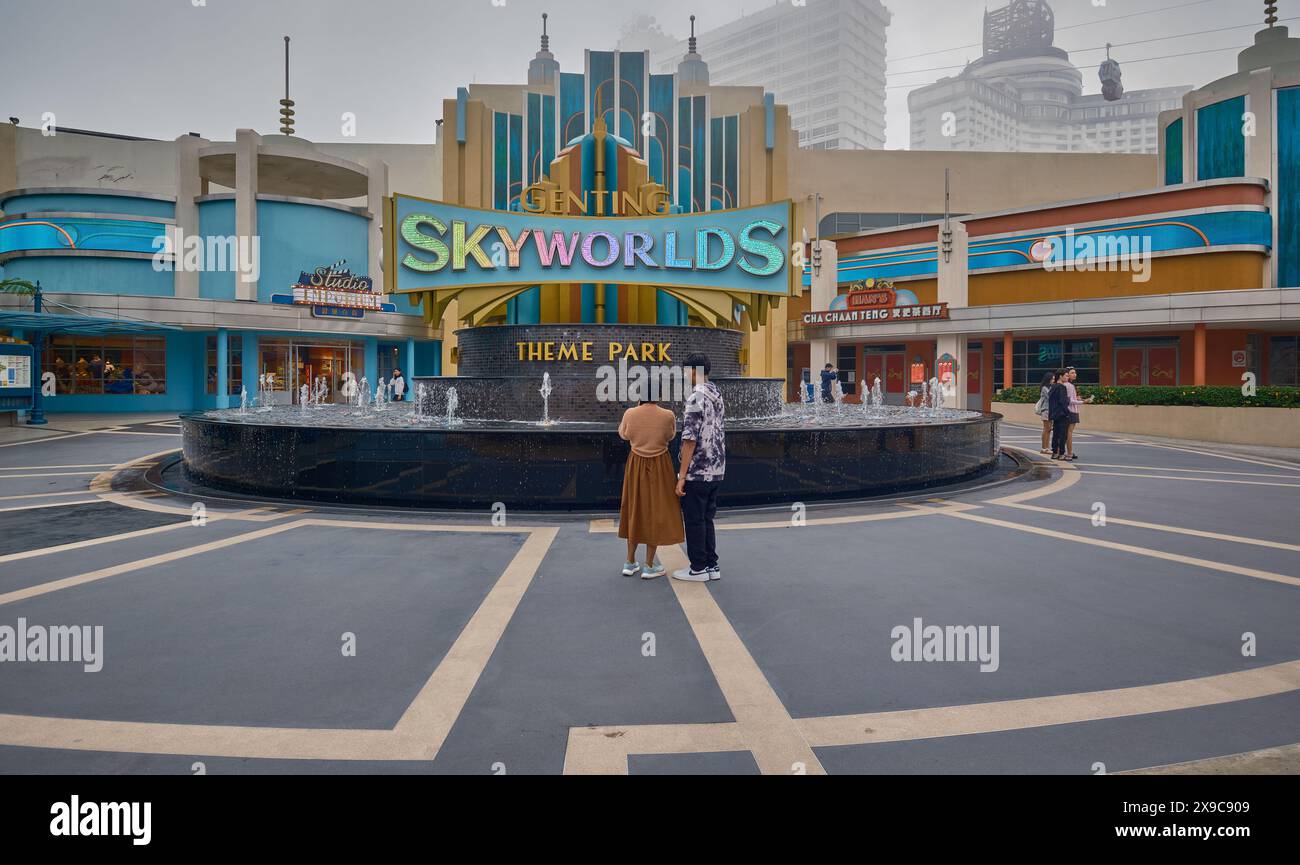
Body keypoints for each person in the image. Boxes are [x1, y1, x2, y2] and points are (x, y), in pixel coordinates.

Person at [617, 399, 683, 579]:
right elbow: (670, 436)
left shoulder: (630, 413)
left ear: (640, 397)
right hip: (660, 464)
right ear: (657, 396)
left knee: (634, 508)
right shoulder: (667, 415)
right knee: (655, 510)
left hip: (636, 464)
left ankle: (629, 562)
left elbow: (624, 434)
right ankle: (649, 565)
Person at [674, 352, 725, 582]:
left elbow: (689, 439)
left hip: (698, 469)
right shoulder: (717, 394)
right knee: (707, 518)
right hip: (717, 467)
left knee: (694, 519)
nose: (685, 374)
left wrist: (682, 475)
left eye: (687, 370)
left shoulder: (695, 397)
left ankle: (697, 568)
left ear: (695, 371)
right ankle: (711, 565)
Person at [1062, 366, 1093, 460]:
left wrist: (1079, 399)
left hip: (1068, 411)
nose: (1074, 374)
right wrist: (1083, 401)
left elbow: (1070, 399)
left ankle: (1064, 451)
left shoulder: (1066, 385)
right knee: (1069, 433)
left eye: (1075, 372)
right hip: (1072, 411)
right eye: (1072, 373)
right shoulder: (1069, 386)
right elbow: (1070, 401)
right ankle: (1069, 453)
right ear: (1066, 375)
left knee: (1066, 433)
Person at [1047, 368, 1072, 460]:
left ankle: (1055, 452)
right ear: (1060, 376)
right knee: (1063, 434)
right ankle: (1061, 453)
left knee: (1056, 434)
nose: (1067, 377)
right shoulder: (1062, 387)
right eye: (1066, 375)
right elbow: (1063, 401)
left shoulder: (1053, 387)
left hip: (1054, 414)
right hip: (1062, 414)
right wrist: (1067, 412)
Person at [1034, 371, 1057, 454]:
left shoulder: (1051, 387)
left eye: (1054, 379)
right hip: (1046, 410)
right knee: (1046, 429)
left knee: (1049, 429)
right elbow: (1050, 397)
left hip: (1050, 410)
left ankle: (1047, 447)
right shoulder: (1044, 388)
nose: (1053, 380)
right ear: (1048, 379)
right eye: (1052, 379)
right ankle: (1044, 448)